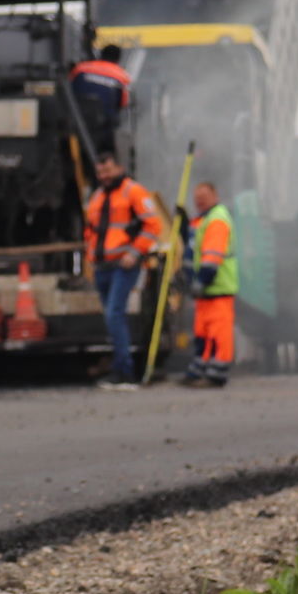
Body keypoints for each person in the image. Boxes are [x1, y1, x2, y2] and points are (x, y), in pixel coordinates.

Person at [83, 151, 164, 390]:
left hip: (123, 264)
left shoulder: (134, 191)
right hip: (103, 266)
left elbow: (153, 225)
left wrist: (135, 253)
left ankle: (125, 371)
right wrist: (90, 256)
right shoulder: (97, 196)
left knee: (114, 315)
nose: (104, 176)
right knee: (112, 317)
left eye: (107, 170)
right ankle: (120, 368)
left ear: (118, 168)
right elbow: (91, 230)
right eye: (100, 172)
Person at [182, 181, 237, 387]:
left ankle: (217, 375)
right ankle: (199, 371)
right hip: (207, 289)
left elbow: (212, 255)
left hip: (217, 286)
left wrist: (202, 279)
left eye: (204, 196)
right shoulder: (202, 220)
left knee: (218, 334)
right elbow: (193, 249)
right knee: (203, 333)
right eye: (197, 197)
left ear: (215, 195)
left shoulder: (217, 220)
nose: (199, 200)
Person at [69, 43, 133, 161]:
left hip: (76, 121)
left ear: (101, 55)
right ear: (118, 59)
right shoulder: (122, 76)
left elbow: (69, 88)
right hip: (103, 128)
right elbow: (123, 104)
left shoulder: (81, 68)